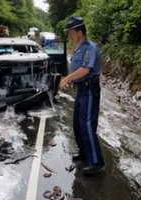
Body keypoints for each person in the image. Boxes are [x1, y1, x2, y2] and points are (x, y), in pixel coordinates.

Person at [60, 16, 105, 176]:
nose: (70, 35)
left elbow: (86, 70)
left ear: (79, 31)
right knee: (78, 124)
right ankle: (85, 152)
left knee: (87, 124)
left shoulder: (90, 47)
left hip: (90, 90)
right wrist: (72, 81)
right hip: (81, 89)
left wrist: (66, 78)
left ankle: (96, 161)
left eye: (71, 31)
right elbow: (78, 72)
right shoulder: (79, 49)